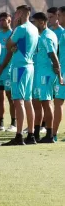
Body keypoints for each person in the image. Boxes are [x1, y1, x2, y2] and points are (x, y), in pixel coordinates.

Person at [2, 5, 39, 146]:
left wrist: (12, 43)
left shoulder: (21, 28)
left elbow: (8, 44)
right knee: (28, 101)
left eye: (16, 13)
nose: (15, 15)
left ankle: (19, 136)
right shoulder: (34, 29)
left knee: (18, 101)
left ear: (21, 14)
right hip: (30, 67)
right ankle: (31, 134)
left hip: (20, 67)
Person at [30, 12, 60, 143]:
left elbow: (53, 54)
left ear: (42, 22)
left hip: (45, 74)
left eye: (35, 22)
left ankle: (49, 135)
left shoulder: (47, 36)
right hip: (39, 74)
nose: (34, 24)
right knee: (37, 103)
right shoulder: (46, 35)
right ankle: (35, 134)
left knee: (46, 104)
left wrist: (58, 73)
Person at [0, 12, 16, 132]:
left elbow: (12, 52)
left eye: (5, 19)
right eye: (0, 20)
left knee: (11, 97)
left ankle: (14, 123)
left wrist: (2, 67)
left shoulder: (13, 34)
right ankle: (0, 122)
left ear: (10, 20)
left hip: (9, 70)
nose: (3, 21)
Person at [53, 6, 65, 141]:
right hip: (61, 72)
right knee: (58, 102)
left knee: (58, 102)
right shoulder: (62, 33)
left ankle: (54, 135)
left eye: (60, 15)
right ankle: (54, 134)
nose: (58, 18)